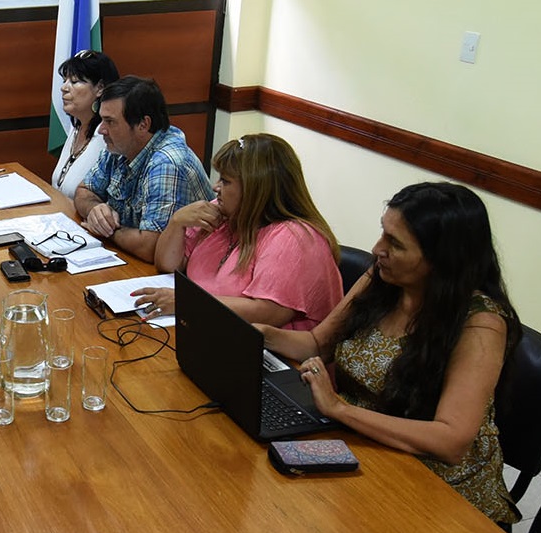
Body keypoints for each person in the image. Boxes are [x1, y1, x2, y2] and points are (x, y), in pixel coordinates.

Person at [260, 182, 522, 526]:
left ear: (441, 259)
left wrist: (339, 409)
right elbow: (316, 344)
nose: (378, 249)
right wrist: (260, 334)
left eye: (395, 244)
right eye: (383, 233)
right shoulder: (383, 279)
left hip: (443, 496)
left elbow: (450, 440)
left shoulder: (480, 323)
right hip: (370, 451)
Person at [132, 134, 341, 328]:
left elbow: (269, 312)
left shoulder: (294, 238)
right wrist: (177, 222)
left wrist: (187, 303)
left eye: (226, 181)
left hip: (276, 356)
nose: (216, 187)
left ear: (254, 190)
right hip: (212, 328)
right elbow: (168, 265)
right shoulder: (224, 213)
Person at [74, 76, 213, 262]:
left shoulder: (167, 163)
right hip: (131, 259)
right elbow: (84, 190)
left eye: (110, 121)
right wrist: (95, 210)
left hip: (177, 278)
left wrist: (107, 230)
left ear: (143, 125)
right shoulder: (120, 146)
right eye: (102, 120)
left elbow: (150, 246)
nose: (101, 130)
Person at [50, 49, 119, 199]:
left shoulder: (108, 137)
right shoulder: (76, 127)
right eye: (64, 81)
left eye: (74, 82)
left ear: (100, 88)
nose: (64, 88)